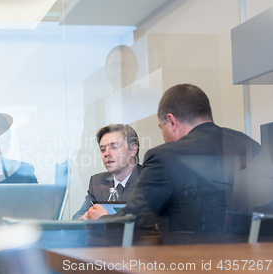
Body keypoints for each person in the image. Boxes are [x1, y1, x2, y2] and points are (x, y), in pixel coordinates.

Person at [86, 83, 273, 244]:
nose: (163, 135)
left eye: (161, 128)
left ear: (171, 121)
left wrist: (102, 219)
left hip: (192, 264)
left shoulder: (164, 156)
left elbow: (133, 225)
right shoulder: (250, 145)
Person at [73, 124, 141, 220]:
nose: (107, 154)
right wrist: (83, 219)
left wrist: (104, 218)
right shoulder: (97, 182)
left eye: (114, 147)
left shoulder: (149, 179)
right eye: (103, 149)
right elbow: (77, 217)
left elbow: (147, 221)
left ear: (133, 150)